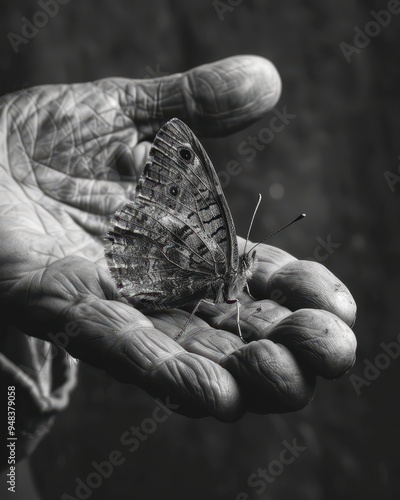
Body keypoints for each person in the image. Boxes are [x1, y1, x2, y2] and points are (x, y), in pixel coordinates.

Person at [0, 55, 356, 470]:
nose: (247, 263)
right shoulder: (223, 261)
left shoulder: (230, 270)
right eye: (246, 261)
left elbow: (234, 297)